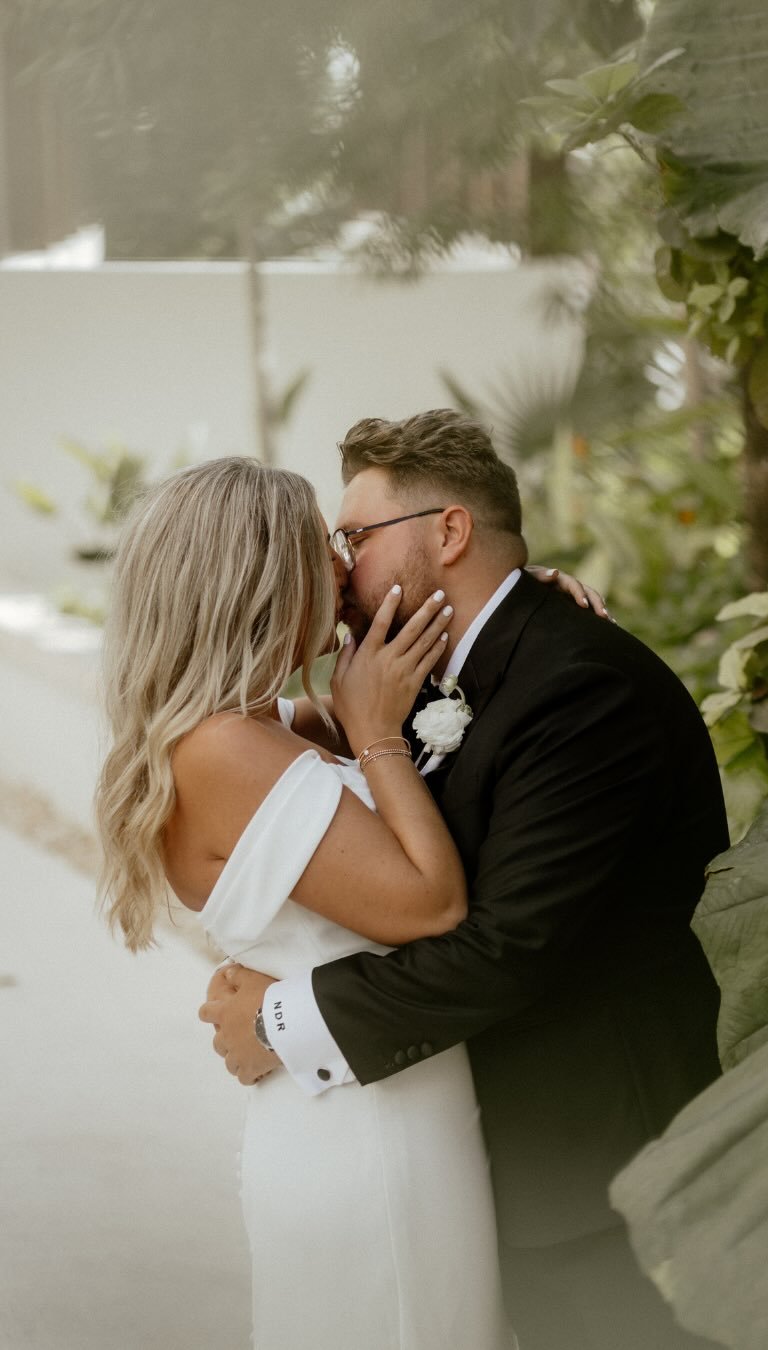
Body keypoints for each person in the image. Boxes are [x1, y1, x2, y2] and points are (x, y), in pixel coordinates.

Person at [204, 410, 730, 1350]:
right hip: (488, 1157)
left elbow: (505, 945)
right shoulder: (429, 672)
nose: (339, 571)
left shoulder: (580, 684)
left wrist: (282, 1020)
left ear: (449, 532)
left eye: (354, 539)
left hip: (598, 1175)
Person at [95, 456, 538, 1349]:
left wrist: (524, 603)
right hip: (368, 1135)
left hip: (378, 1099)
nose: (343, 565)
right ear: (260, 576)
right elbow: (429, 904)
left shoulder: (272, 725)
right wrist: (375, 738)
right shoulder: (224, 749)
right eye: (322, 547)